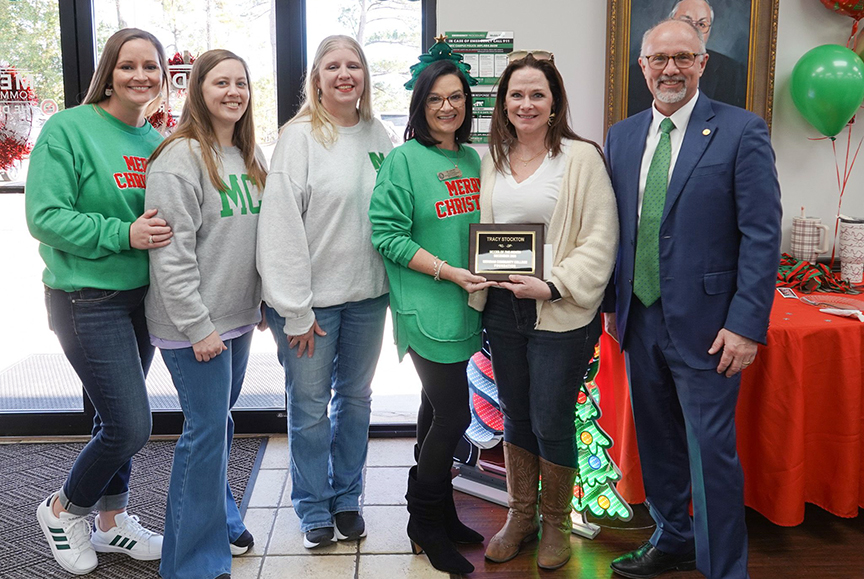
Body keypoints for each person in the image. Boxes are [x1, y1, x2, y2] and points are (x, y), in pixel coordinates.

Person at [604, 19, 781, 579]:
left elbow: (761, 234)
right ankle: (672, 538)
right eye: (659, 59)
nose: (670, 69)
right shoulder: (622, 136)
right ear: (643, 68)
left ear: (703, 64)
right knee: (658, 445)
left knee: (711, 454)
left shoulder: (741, 131)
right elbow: (617, 230)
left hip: (711, 327)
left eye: (683, 57)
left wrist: (748, 324)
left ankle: (724, 567)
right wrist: (609, 306)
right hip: (639, 319)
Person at [26, 27, 170, 575]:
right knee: (132, 425)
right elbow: (44, 216)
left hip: (141, 298)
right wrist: (123, 234)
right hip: (86, 298)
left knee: (110, 418)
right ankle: (63, 508)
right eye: (128, 65)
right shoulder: (69, 129)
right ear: (108, 71)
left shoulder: (155, 141)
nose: (141, 76)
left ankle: (112, 523)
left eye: (151, 67)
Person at [467, 53, 619, 570]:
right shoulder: (490, 158)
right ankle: (521, 515)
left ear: (554, 102)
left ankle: (555, 523)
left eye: (537, 94)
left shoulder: (580, 158)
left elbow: (601, 239)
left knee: (552, 417)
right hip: (503, 311)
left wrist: (553, 285)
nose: (526, 104)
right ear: (502, 104)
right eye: (516, 95)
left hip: (561, 312)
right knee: (515, 414)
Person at [257, 35, 392, 549]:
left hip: (368, 296)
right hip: (310, 304)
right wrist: (293, 309)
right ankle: (312, 507)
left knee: (355, 401)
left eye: (353, 65)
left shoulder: (380, 135)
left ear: (364, 77)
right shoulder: (298, 137)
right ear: (316, 77)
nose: (344, 74)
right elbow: (280, 230)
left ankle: (347, 498)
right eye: (332, 66)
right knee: (310, 406)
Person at [145, 49, 267, 579]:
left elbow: (258, 238)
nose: (233, 92)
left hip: (236, 318)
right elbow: (170, 256)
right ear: (198, 89)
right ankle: (191, 563)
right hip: (195, 325)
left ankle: (221, 519)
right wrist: (199, 327)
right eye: (221, 82)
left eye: (241, 82)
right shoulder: (180, 159)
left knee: (217, 424)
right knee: (204, 433)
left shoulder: (248, 154)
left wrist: (261, 302)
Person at [369, 58, 493, 575]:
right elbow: (387, 235)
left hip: (469, 306)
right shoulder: (403, 161)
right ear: (421, 105)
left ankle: (439, 511)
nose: (447, 107)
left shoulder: (474, 159)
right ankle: (422, 519)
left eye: (456, 98)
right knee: (455, 415)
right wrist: (448, 271)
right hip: (428, 305)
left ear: (468, 105)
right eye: (436, 98)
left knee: (431, 410)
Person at [628, 0, 747, 114]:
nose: (670, 70)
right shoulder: (632, 76)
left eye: (702, 24)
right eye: (686, 22)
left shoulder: (734, 72)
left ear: (702, 64)